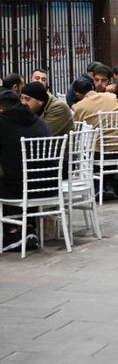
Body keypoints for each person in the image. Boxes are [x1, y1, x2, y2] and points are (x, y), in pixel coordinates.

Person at [0, 90, 49, 250]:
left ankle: (11, 232)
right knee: (23, 174)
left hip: (21, 189)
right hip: (48, 186)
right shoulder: (39, 121)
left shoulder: (3, 123)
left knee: (8, 179)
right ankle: (29, 228)